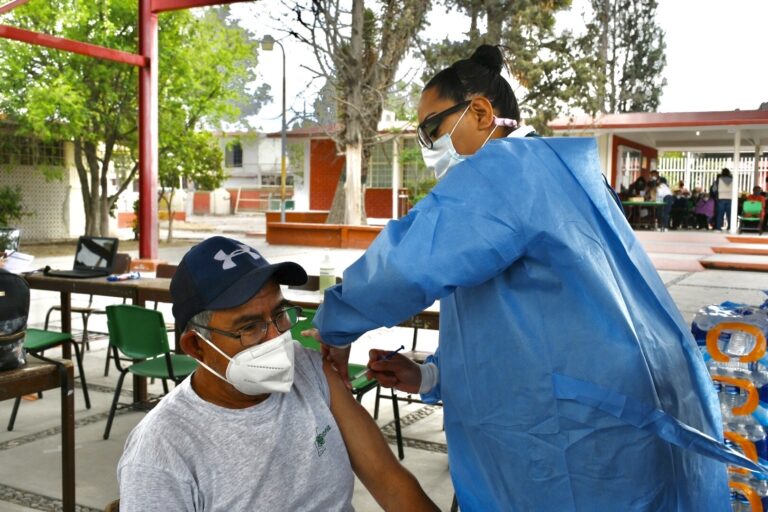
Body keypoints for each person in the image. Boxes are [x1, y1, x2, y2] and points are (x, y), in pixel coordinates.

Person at [305, 45, 758, 511]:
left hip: (573, 446)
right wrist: (431, 376)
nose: (428, 150)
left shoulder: (506, 171)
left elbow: (404, 266)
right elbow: (528, 332)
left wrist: (336, 326)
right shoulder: (558, 174)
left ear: (480, 112)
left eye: (431, 130)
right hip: (606, 417)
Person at [117, 236, 438, 512]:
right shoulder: (162, 452)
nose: (277, 338)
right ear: (196, 347)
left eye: (280, 315)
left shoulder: (310, 370)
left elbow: (391, 482)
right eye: (250, 327)